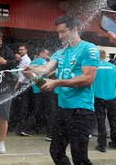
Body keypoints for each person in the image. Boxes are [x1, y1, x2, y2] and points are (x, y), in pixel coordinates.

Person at [23, 15, 99, 165]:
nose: (60, 36)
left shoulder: (89, 48)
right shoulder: (60, 53)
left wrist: (57, 82)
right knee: (56, 151)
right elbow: (45, 69)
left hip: (81, 110)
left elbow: (87, 78)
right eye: (58, 32)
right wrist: (31, 71)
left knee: (79, 157)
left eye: (63, 32)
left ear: (75, 29)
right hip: (62, 108)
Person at [94, 50, 116, 152]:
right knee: (114, 120)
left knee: (101, 120)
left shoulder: (94, 68)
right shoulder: (113, 67)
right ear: (104, 56)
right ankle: (115, 142)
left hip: (98, 96)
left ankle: (102, 145)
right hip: (112, 97)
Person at [13, 44, 32, 136]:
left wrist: (17, 84)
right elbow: (19, 73)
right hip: (20, 84)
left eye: (22, 50)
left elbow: (24, 75)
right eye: (19, 50)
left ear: (26, 50)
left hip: (24, 85)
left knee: (23, 107)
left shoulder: (27, 60)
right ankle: (18, 128)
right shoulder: (21, 60)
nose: (20, 51)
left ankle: (21, 128)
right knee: (19, 106)